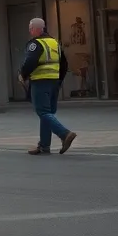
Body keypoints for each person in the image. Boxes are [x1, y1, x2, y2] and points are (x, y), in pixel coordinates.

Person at [19, 17, 78, 155]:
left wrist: (23, 75)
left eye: (30, 28)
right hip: (54, 82)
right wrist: (59, 80)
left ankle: (65, 134)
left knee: (43, 112)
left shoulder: (36, 44)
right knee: (48, 112)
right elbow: (64, 64)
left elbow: (30, 62)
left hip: (40, 81)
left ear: (35, 29)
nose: (29, 31)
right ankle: (44, 146)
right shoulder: (54, 42)